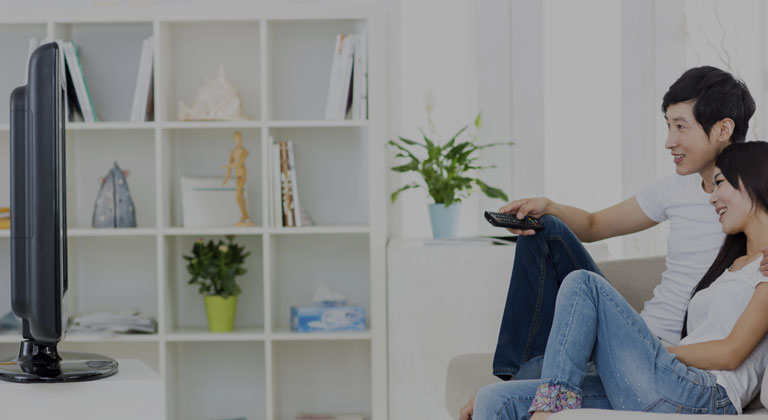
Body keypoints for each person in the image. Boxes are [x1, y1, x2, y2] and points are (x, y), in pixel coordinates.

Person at [460, 65, 760, 419]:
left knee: (583, 286)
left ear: (723, 129)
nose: (669, 141)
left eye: (681, 126)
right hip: (633, 340)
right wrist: (548, 206)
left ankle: (543, 395)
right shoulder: (673, 189)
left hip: (674, 363)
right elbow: (593, 224)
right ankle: (519, 376)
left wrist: (659, 353)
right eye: (668, 125)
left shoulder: (749, 198)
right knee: (545, 229)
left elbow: (731, 347)